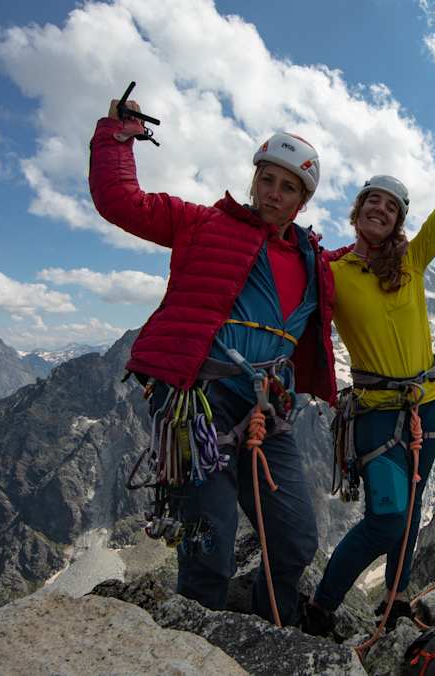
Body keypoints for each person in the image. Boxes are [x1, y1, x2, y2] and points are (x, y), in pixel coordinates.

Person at [89, 98, 337, 628]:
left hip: (269, 413)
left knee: (295, 540)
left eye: (288, 186)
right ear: (254, 182)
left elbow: (382, 260)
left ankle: (273, 638)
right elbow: (120, 202)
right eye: (267, 179)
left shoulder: (319, 263)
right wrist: (117, 135)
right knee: (209, 548)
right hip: (198, 406)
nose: (274, 192)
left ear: (303, 201)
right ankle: (191, 648)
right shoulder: (202, 224)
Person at [302, 133, 435, 636]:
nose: (379, 208)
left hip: (430, 406)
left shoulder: (411, 262)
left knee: (410, 509)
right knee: (389, 515)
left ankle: (395, 600)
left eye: (390, 206)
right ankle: (320, 607)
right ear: (357, 212)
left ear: (397, 220)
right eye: (372, 200)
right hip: (375, 411)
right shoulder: (332, 271)